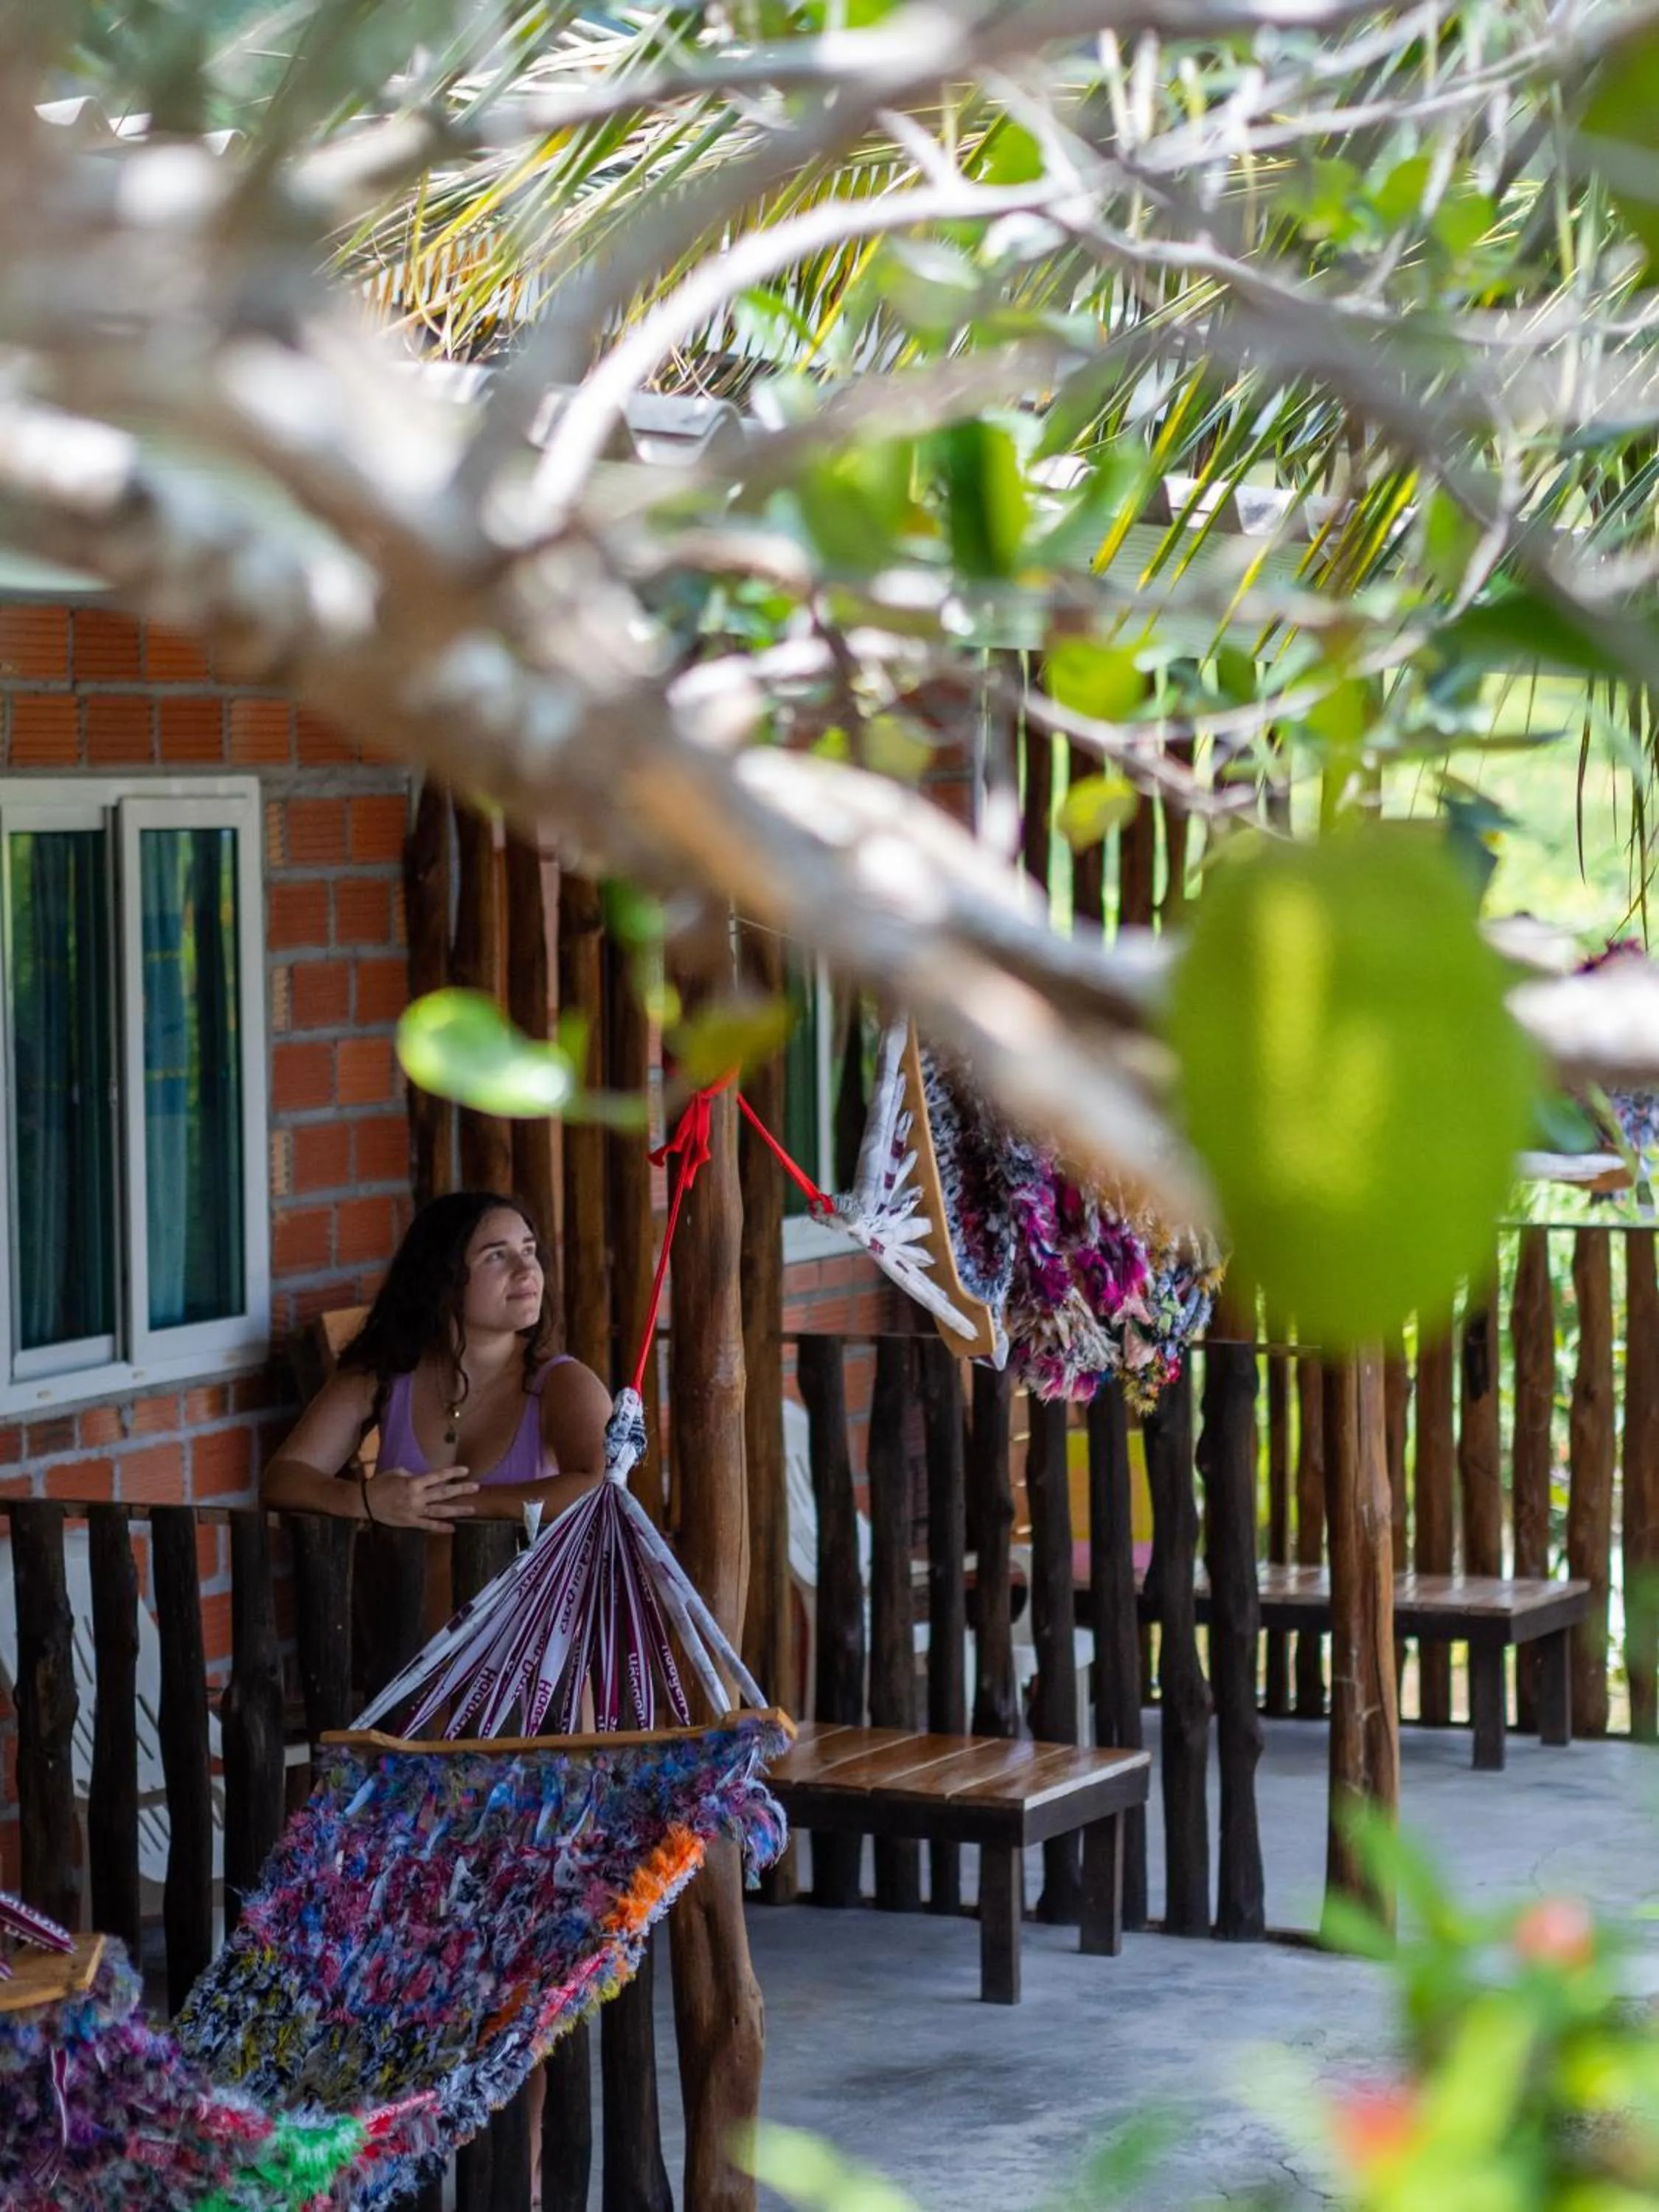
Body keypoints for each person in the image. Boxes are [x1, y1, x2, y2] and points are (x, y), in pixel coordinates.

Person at [262, 1191, 611, 1534]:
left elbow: (605, 1489)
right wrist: (361, 1500)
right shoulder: (388, 1371)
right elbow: (283, 1478)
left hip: (531, 1595)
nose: (526, 1270)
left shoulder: (561, 1382)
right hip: (407, 1593)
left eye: (528, 1250)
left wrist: (455, 1504)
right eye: (496, 1256)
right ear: (441, 1276)